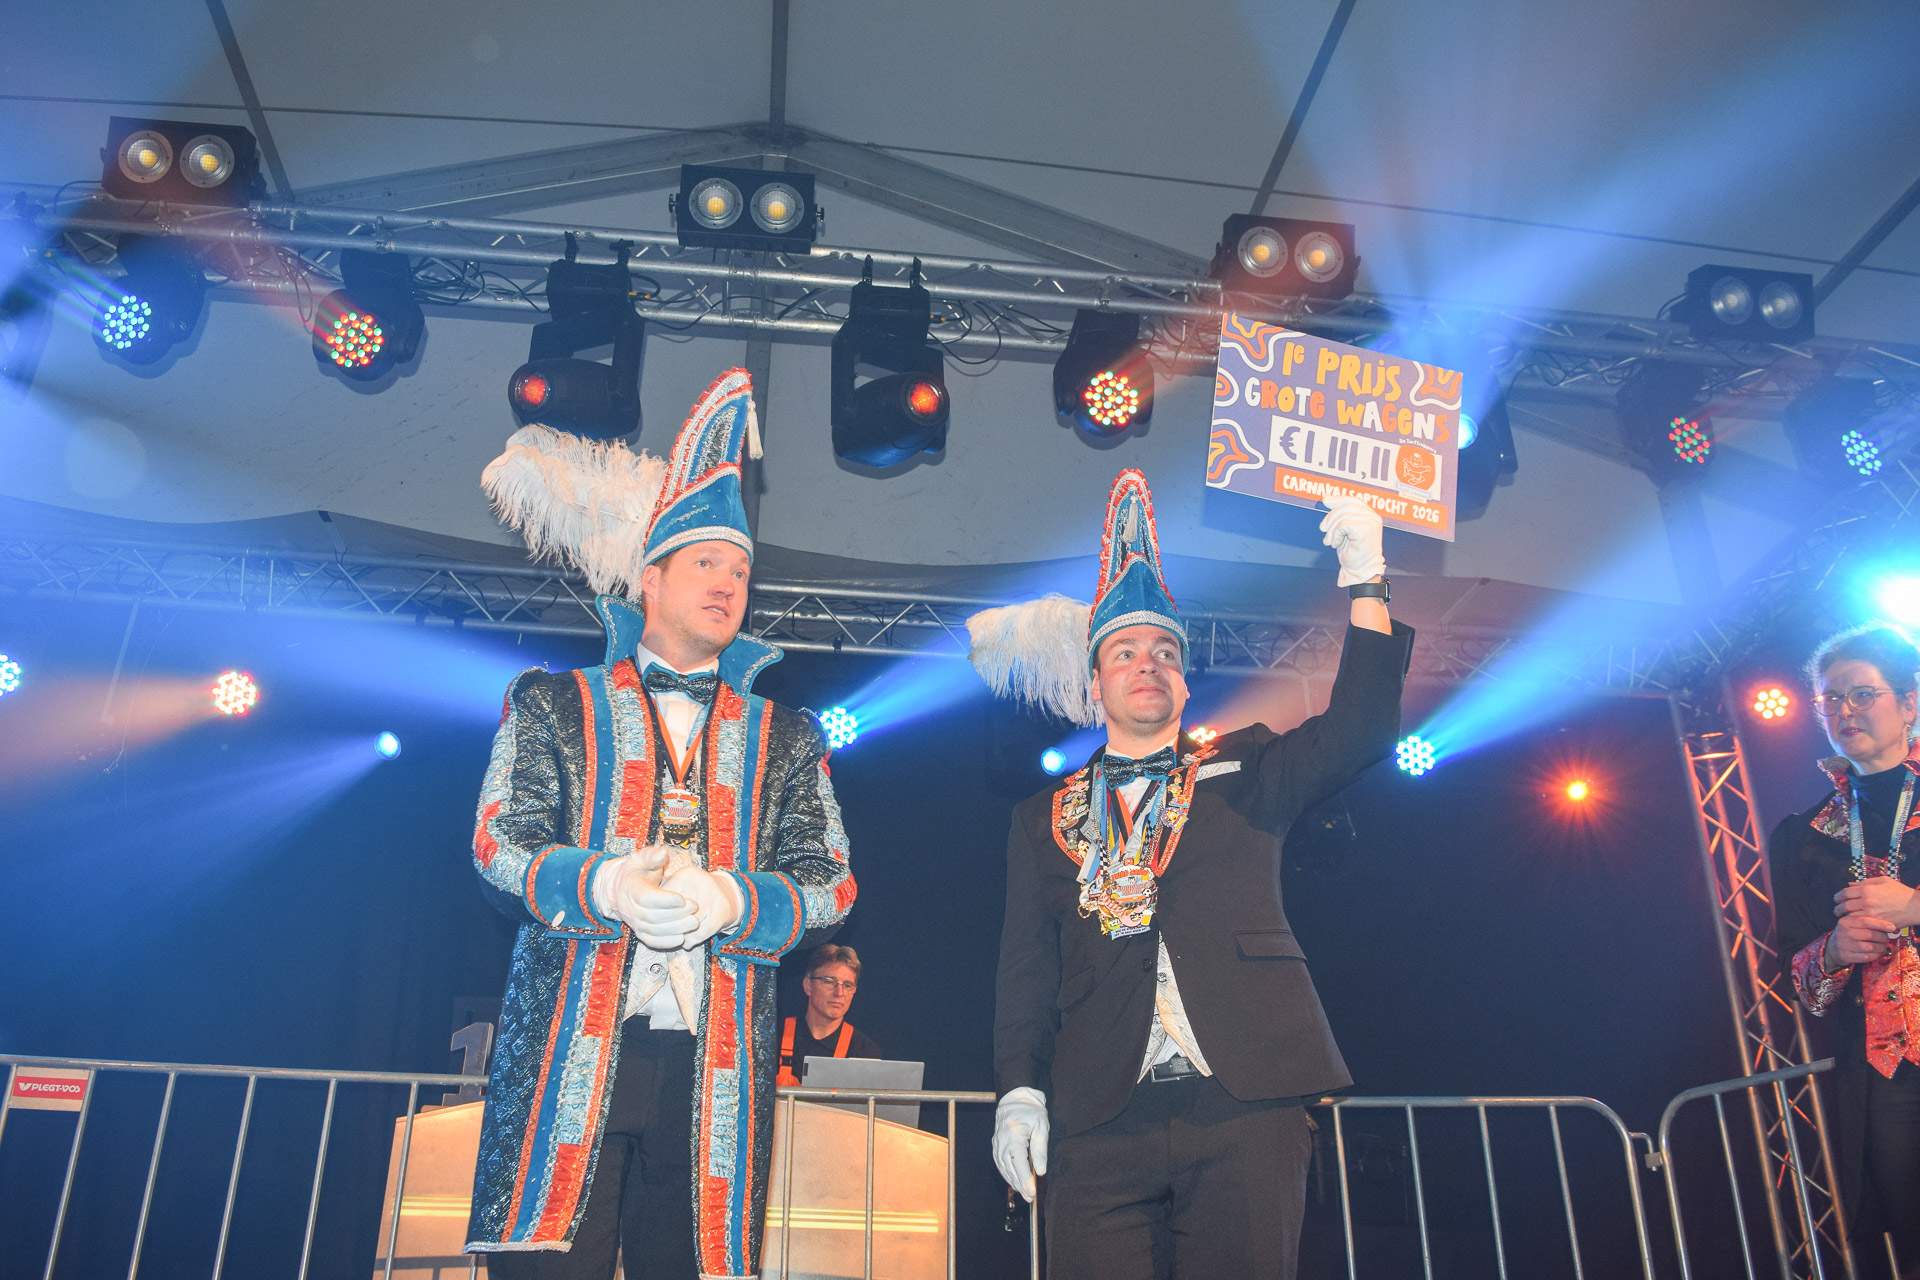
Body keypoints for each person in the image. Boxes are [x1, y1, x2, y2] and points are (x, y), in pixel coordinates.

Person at [967, 470, 1411, 1280]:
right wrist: (1019, 1091)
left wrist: (1366, 580)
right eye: (1126, 653)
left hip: (1245, 1096)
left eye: (1165, 653)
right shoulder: (1042, 817)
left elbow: (1361, 729)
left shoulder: (1248, 770)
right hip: (1099, 1107)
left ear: (1184, 680)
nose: (1149, 665)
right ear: (1095, 683)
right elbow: (1025, 970)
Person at [465, 369, 857, 1280]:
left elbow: (832, 881)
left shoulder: (787, 736)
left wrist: (733, 901)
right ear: (652, 579)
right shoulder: (554, 703)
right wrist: (601, 883)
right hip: (567, 1049)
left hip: (713, 1068)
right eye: (707, 564)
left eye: (742, 571)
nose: (729, 584)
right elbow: (497, 842)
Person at [1769, 624, 1920, 1276]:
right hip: (1887, 1073)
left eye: (1863, 694)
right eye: (1830, 699)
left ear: (1909, 703)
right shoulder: (1803, 835)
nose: (1845, 710)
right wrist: (1833, 951)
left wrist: (1913, 907)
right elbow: (1799, 978)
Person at [778, 944, 881, 1085]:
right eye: (829, 982)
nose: (839, 993)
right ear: (808, 986)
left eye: (847, 985)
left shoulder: (864, 1053)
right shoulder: (772, 1038)